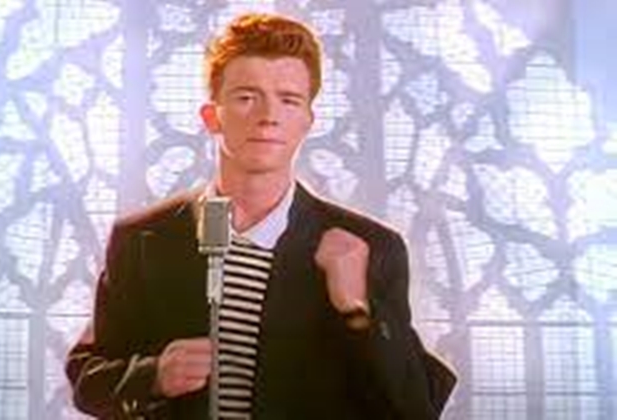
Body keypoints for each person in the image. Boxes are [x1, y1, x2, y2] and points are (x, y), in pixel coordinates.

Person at [66, 12, 456, 420]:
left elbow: (414, 408)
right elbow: (87, 379)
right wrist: (153, 375)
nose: (268, 116)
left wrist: (357, 307)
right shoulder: (143, 240)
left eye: (289, 100)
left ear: (307, 121)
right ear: (211, 117)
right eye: (246, 97)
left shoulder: (371, 247)